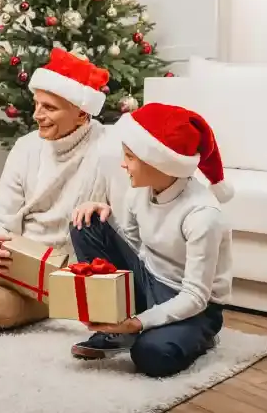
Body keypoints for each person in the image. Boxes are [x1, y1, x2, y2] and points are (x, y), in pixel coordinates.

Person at [0, 47, 129, 329]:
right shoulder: (27, 146)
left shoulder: (109, 149)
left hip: (56, 273)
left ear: (82, 114)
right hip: (13, 249)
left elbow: (125, 230)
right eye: (37, 103)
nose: (37, 115)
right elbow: (0, 217)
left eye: (50, 108)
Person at [69, 102, 234, 377]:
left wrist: (138, 323)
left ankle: (199, 337)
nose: (123, 164)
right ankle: (118, 323)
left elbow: (195, 297)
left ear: (160, 162)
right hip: (150, 281)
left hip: (195, 306)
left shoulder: (203, 215)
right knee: (86, 223)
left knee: (152, 355)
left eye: (130, 157)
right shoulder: (141, 192)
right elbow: (135, 247)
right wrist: (105, 216)